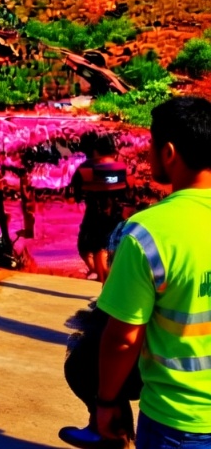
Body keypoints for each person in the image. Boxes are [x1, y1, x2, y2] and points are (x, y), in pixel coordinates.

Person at [63, 96, 211, 448]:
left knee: (85, 349)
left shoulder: (148, 233)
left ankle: (109, 431)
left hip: (180, 420)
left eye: (150, 145)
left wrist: (106, 402)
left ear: (169, 153)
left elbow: (123, 338)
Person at [71, 133, 131, 283]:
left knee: (89, 248)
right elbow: (130, 193)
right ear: (114, 151)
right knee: (104, 250)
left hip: (94, 215)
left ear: (96, 150)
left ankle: (104, 282)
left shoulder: (85, 168)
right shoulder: (123, 169)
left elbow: (75, 194)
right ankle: (105, 281)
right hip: (117, 216)